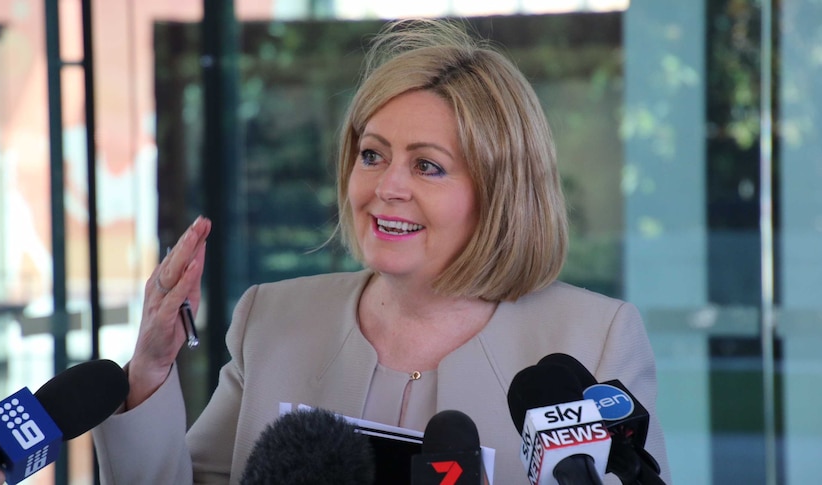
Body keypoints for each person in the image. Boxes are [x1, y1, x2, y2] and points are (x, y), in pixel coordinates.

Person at [92, 18, 672, 484]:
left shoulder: (594, 339)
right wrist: (149, 369)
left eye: (427, 165)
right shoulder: (270, 318)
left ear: (500, 193)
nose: (386, 187)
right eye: (372, 155)